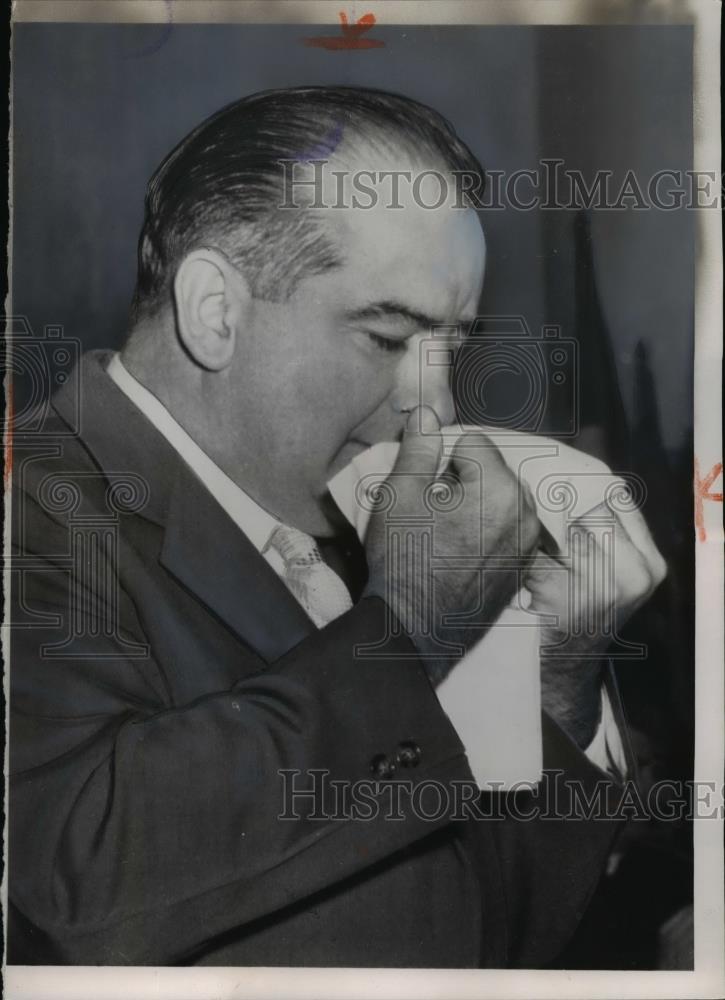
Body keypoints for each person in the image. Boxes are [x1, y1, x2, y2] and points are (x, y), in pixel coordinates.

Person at [8, 86, 666, 967]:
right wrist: (410, 629)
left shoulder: (354, 528)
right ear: (214, 310)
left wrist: (556, 679)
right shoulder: (32, 505)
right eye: (387, 338)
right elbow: (63, 882)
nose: (433, 407)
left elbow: (479, 935)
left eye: (452, 348)